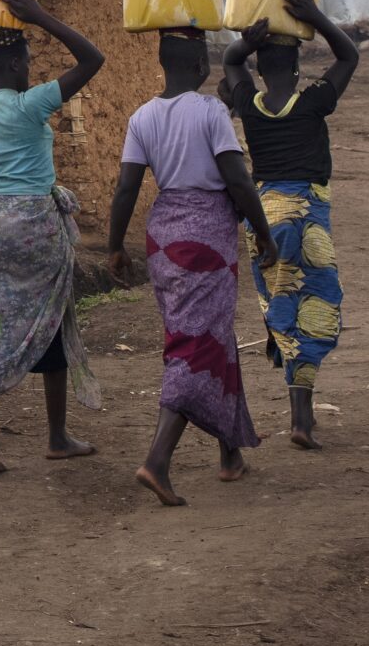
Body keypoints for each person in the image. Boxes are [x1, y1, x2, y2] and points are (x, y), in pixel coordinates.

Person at [108, 29, 278, 507]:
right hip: (206, 232)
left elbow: (126, 190)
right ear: (203, 68)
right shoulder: (210, 111)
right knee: (196, 344)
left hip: (165, 233)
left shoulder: (141, 116)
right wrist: (264, 232)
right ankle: (157, 460)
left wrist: (115, 245)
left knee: (209, 334)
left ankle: (231, 455)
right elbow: (237, 178)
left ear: (164, 66)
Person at [0, 0, 108, 475]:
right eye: (29, 59)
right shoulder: (32, 104)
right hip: (37, 225)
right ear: (20, 65)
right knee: (52, 319)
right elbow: (92, 58)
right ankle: (58, 437)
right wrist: (40, 16)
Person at [219, 0, 359, 450]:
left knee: (281, 304)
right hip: (307, 218)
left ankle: (301, 411)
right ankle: (301, 418)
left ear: (260, 69)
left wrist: (246, 43)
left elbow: (231, 62)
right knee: (315, 309)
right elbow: (348, 56)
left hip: (262, 216)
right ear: (299, 70)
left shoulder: (249, 104)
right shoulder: (313, 103)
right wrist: (316, 16)